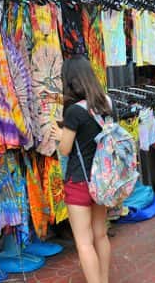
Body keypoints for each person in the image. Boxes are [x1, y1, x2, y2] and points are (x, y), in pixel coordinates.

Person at [51, 56, 113, 283]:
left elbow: (65, 149)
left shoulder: (73, 112)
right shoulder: (106, 103)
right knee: (101, 235)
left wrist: (59, 136)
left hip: (79, 181)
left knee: (84, 242)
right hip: (102, 178)